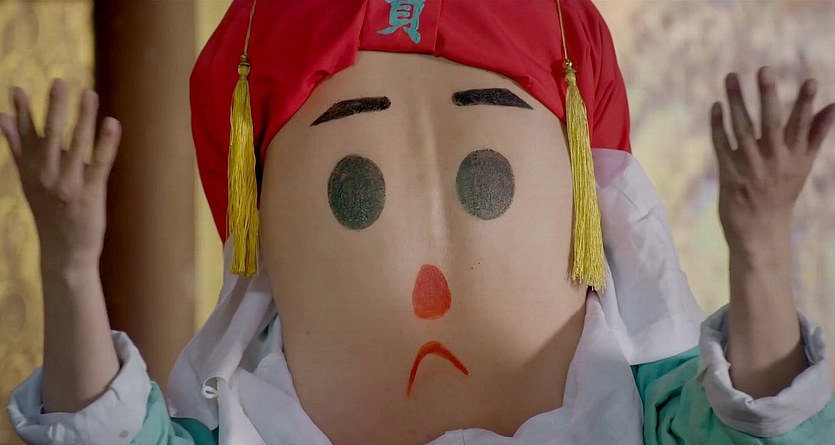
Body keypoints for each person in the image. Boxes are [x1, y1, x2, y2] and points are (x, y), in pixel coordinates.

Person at [4, 0, 835, 443]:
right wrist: (71, 269)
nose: (429, 287)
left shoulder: (653, 416)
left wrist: (758, 248)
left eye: (487, 181)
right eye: (351, 189)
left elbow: (759, 433)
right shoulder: (244, 424)